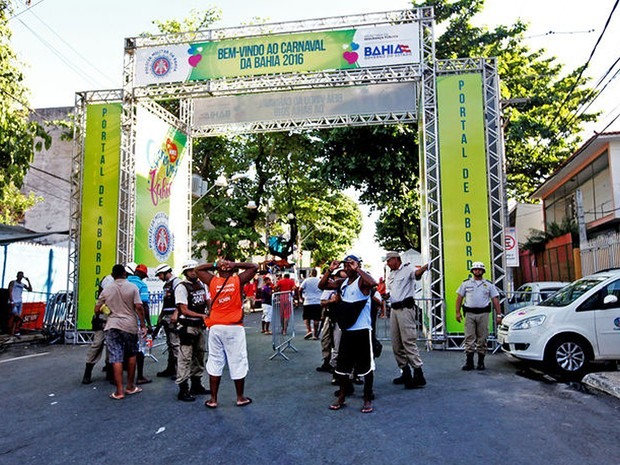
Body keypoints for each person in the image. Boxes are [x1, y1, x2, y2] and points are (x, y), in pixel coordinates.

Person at [195, 258, 258, 409]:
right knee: (237, 360)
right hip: (234, 327)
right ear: (231, 270)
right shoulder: (237, 281)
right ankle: (240, 397)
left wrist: (216, 264)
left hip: (216, 327)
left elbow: (198, 269)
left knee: (215, 360)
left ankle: (213, 399)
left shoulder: (212, 281)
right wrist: (235, 264)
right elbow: (254, 267)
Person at [319, 255, 377, 414]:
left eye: (351, 264)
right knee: (342, 367)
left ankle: (367, 398)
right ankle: (342, 396)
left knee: (366, 367)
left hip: (362, 331)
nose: (347, 267)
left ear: (358, 265)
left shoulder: (362, 281)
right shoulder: (342, 283)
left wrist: (357, 268)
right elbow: (322, 285)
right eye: (346, 265)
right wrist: (330, 270)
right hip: (347, 330)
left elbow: (373, 283)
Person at [94, 264, 146, 400]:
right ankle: (130, 386)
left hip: (112, 325)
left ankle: (119, 391)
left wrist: (107, 308)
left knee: (116, 357)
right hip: (129, 325)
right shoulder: (133, 287)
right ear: (124, 274)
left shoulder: (107, 289)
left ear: (112, 275)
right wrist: (143, 325)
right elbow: (139, 307)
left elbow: (96, 309)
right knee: (131, 355)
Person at [385, 251, 429, 389]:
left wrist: (425, 267)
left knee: (408, 341)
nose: (387, 263)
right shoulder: (391, 274)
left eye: (389, 260)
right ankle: (405, 372)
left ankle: (418, 373)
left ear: (396, 259)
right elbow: (391, 291)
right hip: (394, 309)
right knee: (396, 344)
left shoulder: (407, 269)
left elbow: (416, 275)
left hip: (405, 309)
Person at [455, 261, 503, 371]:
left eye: (480, 269)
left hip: (483, 314)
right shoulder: (466, 284)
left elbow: (495, 299)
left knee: (482, 338)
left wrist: (499, 315)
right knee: (469, 338)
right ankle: (469, 362)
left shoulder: (489, 284)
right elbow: (459, 298)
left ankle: (481, 362)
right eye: (475, 269)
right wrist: (457, 312)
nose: (477, 271)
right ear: (472, 271)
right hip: (470, 314)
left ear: (483, 271)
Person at [175, 259, 211, 402]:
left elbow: (207, 300)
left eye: (194, 270)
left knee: (199, 354)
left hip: (199, 325)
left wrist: (212, 311)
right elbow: (183, 309)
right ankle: (183, 388)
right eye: (190, 271)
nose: (193, 273)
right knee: (185, 357)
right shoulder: (181, 287)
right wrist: (202, 315)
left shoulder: (201, 284)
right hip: (187, 326)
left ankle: (197, 384)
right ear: (185, 272)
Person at [126, 263, 153, 385]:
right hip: (136, 322)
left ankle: (116, 378)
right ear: (142, 275)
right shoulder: (142, 285)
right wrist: (147, 324)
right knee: (140, 350)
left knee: (123, 349)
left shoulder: (123, 283)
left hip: (121, 323)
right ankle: (140, 376)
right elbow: (143, 306)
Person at [154, 263, 181, 378]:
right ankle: (171, 369)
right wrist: (161, 317)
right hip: (167, 316)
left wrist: (176, 313)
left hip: (174, 317)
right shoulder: (167, 285)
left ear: (166, 273)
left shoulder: (177, 283)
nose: (159, 278)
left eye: (160, 275)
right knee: (170, 344)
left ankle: (180, 371)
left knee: (175, 344)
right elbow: (166, 303)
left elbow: (181, 301)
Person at [299, 269, 323, 339]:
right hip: (317, 302)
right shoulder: (319, 280)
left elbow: (300, 289)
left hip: (308, 301)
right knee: (316, 319)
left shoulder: (306, 280)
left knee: (307, 317)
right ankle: (315, 335)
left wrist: (301, 298)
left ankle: (309, 330)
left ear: (310, 273)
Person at [8, 271, 32, 336]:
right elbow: (9, 291)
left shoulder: (22, 284)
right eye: (19, 275)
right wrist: (12, 301)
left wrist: (28, 281)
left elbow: (30, 289)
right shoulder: (13, 282)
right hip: (13, 301)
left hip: (19, 302)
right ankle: (22, 321)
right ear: (17, 276)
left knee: (15, 319)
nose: (20, 277)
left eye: (21, 276)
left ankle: (13, 332)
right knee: (16, 315)